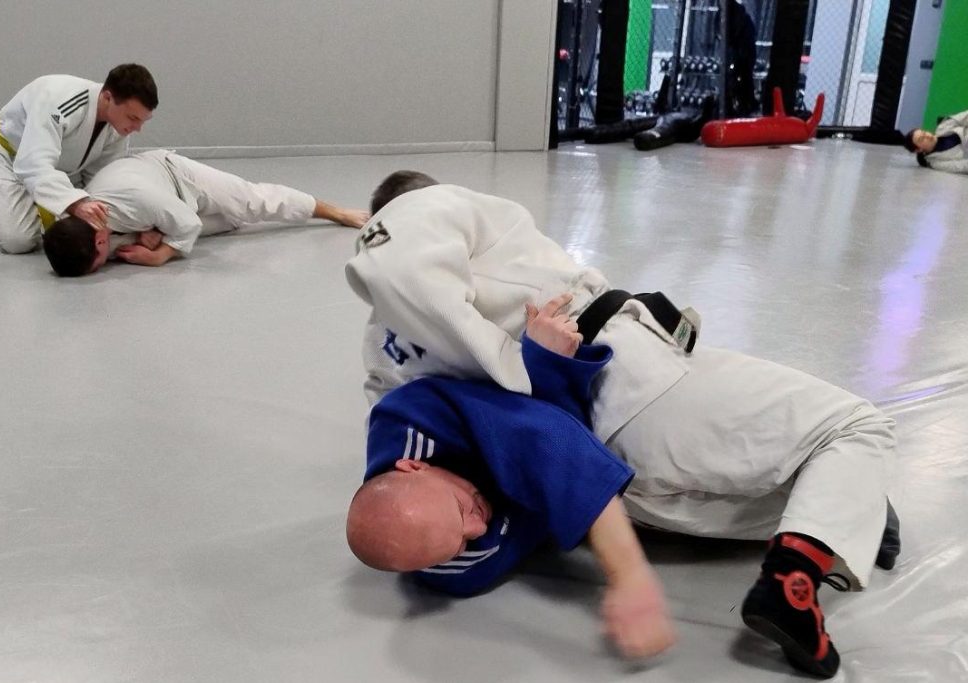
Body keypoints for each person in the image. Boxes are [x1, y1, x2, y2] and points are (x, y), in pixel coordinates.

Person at [344, 171, 900, 678]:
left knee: (803, 485)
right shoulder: (418, 219)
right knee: (855, 427)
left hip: (611, 472)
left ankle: (848, 507)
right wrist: (527, 363)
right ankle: (792, 581)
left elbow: (480, 463)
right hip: (625, 389)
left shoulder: (387, 367)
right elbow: (398, 260)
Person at [347, 296, 676, 660]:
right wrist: (553, 377)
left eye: (460, 509)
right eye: (460, 544)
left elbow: (551, 443)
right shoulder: (447, 565)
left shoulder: (419, 418)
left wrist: (629, 575)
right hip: (587, 453)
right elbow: (541, 501)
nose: (478, 527)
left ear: (413, 466)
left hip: (554, 340)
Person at [41, 149, 369, 276]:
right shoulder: (74, 227)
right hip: (162, 207)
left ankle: (334, 212)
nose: (105, 263)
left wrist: (161, 254)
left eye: (100, 262)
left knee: (252, 202)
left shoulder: (136, 200)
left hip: (177, 176)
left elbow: (187, 223)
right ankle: (166, 227)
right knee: (232, 221)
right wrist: (147, 236)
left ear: (100, 242)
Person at [0, 64, 159, 254]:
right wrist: (76, 204)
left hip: (64, 167)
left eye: (142, 120)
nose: (138, 128)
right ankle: (8, 211)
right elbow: (33, 165)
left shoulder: (118, 127)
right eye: (133, 118)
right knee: (17, 242)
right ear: (107, 97)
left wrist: (139, 223)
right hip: (11, 156)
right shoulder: (57, 102)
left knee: (89, 225)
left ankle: (32, 204)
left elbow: (103, 180)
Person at [903, 110, 968, 174]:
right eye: (921, 139)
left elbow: (964, 116)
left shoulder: (943, 127)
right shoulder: (936, 162)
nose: (927, 136)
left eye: (924, 132)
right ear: (919, 149)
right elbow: (962, 166)